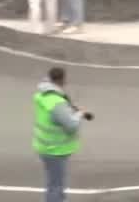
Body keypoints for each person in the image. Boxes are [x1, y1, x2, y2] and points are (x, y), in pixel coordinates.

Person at [33, 66, 93, 202]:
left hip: (45, 147)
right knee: (56, 186)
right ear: (61, 80)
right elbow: (71, 126)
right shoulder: (56, 102)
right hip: (55, 150)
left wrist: (70, 110)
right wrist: (79, 114)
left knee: (54, 182)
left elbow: (57, 116)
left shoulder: (43, 94)